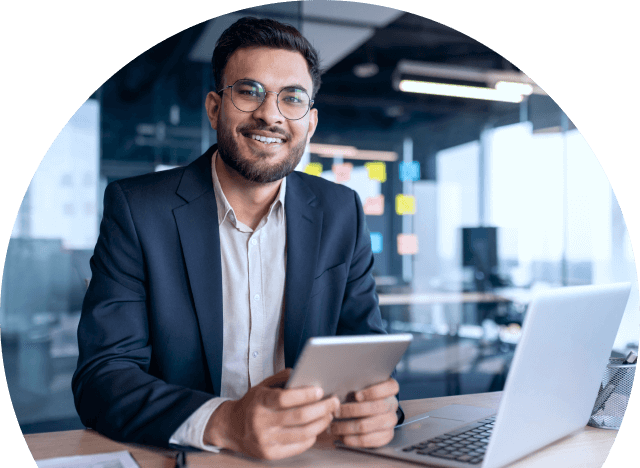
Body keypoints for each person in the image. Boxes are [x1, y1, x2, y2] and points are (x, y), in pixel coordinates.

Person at [72, 16, 405, 461]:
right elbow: (102, 376)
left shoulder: (341, 210)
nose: (271, 113)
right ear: (214, 107)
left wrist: (382, 409)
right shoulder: (138, 209)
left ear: (310, 121)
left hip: (311, 454)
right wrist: (224, 422)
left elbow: (365, 354)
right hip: (194, 456)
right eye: (249, 91)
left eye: (292, 98)